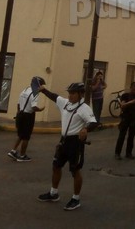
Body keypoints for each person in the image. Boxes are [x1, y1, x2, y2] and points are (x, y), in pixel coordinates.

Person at [36, 81, 98, 211]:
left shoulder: (84, 108)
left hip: (75, 143)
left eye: (73, 93)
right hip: (63, 141)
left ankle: (76, 199)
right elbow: (54, 97)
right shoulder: (65, 103)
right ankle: (53, 193)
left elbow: (93, 122)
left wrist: (86, 129)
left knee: (75, 170)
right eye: (69, 93)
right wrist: (43, 90)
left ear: (81, 94)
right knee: (56, 166)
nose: (70, 95)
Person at [8, 76, 45, 162]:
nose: (42, 87)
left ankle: (13, 151)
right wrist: (41, 109)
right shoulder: (35, 93)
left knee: (21, 134)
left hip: (20, 113)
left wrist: (18, 113)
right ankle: (22, 155)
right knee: (26, 137)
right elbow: (34, 107)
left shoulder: (24, 90)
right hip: (28, 116)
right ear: (38, 85)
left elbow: (18, 103)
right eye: (41, 85)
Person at [115, 82, 135, 160]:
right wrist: (132, 102)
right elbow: (122, 105)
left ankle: (128, 153)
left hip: (134, 119)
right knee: (122, 136)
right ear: (130, 88)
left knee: (131, 137)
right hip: (126, 118)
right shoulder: (125, 95)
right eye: (133, 88)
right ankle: (117, 153)